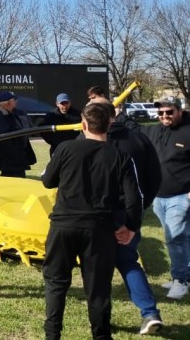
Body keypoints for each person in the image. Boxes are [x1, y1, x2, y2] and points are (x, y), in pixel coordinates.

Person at [41, 102, 142, 340]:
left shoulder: (65, 148)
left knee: (56, 283)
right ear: (109, 123)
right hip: (99, 230)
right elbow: (133, 198)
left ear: (83, 125)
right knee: (98, 289)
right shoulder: (120, 156)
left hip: (64, 225)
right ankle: (101, 336)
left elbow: (47, 181)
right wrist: (131, 227)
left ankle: (52, 335)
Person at [89, 98, 164, 334]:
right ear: (116, 114)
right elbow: (154, 176)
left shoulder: (88, 141)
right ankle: (149, 312)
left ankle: (102, 321)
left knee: (98, 268)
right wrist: (140, 208)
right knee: (128, 261)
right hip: (130, 210)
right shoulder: (138, 138)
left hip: (98, 214)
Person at [139, 96, 190, 300]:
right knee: (182, 237)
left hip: (181, 196)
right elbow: (134, 128)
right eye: (160, 113)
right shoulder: (155, 129)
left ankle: (181, 280)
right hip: (159, 196)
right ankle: (183, 274)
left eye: (169, 112)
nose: (164, 116)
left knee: (174, 238)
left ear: (180, 111)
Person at [0, 91, 36, 178]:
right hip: (9, 160)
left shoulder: (10, 114)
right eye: (15, 100)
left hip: (15, 159)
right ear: (9, 102)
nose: (16, 102)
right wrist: (16, 152)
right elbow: (4, 139)